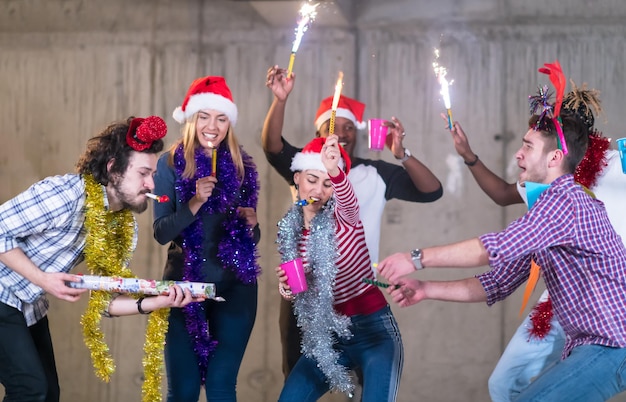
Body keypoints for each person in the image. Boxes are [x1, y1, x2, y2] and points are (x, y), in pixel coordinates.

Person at [378, 113, 626, 401]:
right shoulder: (546, 213)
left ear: (555, 157)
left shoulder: (565, 201)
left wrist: (416, 258)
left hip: (613, 347)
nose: (518, 154)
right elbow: (496, 282)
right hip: (596, 347)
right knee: (504, 386)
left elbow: (497, 246)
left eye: (528, 147)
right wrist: (425, 289)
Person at [447, 84, 624, 401]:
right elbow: (503, 194)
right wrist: (469, 156)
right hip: (564, 291)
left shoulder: (617, 161)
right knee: (503, 383)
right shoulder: (547, 175)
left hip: (611, 296)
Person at [0, 116, 196, 402]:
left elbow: (106, 303)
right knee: (30, 390)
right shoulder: (65, 195)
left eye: (153, 174)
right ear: (113, 168)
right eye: (143, 173)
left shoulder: (120, 226)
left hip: (28, 305)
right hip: (2, 294)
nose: (151, 184)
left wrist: (160, 301)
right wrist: (44, 280)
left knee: (48, 393)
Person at [263, 65, 442, 378]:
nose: (342, 133)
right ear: (319, 135)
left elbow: (432, 192)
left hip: (356, 287)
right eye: (335, 126)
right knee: (297, 369)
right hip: (303, 284)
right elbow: (272, 146)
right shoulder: (306, 166)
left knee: (360, 374)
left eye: (349, 127)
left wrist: (403, 154)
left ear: (357, 133)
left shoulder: (376, 174)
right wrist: (279, 101)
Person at [153, 75, 261, 402]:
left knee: (220, 387)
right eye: (204, 116)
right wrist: (195, 203)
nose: (212, 126)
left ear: (230, 122)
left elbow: (249, 240)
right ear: (192, 119)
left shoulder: (242, 167)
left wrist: (252, 225)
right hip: (183, 288)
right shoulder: (168, 165)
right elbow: (161, 232)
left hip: (235, 287)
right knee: (183, 391)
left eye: (221, 118)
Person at [275, 134, 403, 402]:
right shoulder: (290, 233)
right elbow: (301, 293)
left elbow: (347, 198)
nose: (319, 191)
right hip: (326, 338)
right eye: (312, 180)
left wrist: (333, 170)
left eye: (327, 184)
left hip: (373, 331)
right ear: (297, 178)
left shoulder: (345, 217)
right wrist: (287, 288)